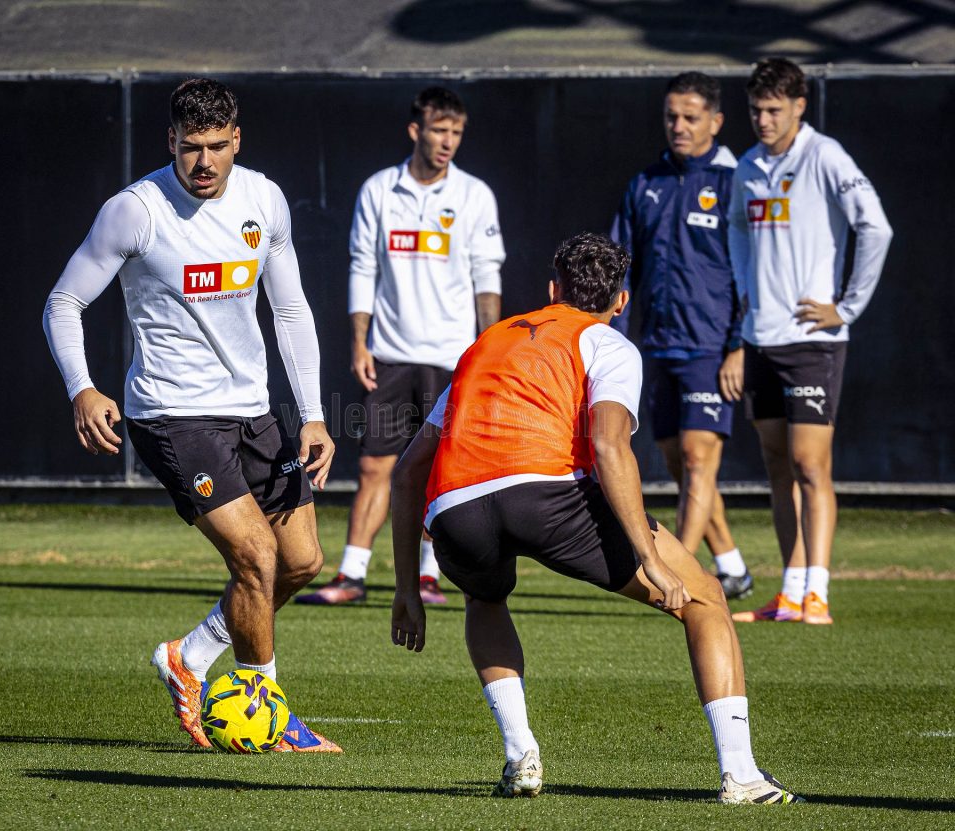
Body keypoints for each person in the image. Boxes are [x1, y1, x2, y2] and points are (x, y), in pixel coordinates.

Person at [390, 232, 802, 803]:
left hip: (456, 506)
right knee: (705, 598)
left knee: (484, 599)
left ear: (552, 289)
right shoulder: (607, 343)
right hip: (546, 495)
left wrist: (406, 588)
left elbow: (409, 470)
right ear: (621, 301)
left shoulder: (486, 342)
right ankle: (743, 777)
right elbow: (610, 449)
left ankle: (521, 758)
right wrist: (652, 559)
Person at [43, 78, 341, 752]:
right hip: (173, 414)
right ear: (169, 141)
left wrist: (315, 415)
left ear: (237, 140)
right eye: (190, 148)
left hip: (255, 410)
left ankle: (191, 655)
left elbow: (290, 310)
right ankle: (269, 716)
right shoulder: (135, 211)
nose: (203, 163)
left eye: (216, 147)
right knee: (257, 554)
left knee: (300, 561)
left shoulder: (264, 199)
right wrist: (82, 387)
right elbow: (63, 302)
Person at [297, 86, 505, 606]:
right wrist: (360, 342)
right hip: (390, 354)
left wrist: (487, 352)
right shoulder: (378, 190)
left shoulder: (474, 195)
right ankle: (351, 576)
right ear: (416, 131)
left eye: (456, 133)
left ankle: (430, 577)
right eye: (439, 130)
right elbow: (362, 267)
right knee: (374, 466)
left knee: (441, 468)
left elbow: (487, 277)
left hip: (453, 357)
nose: (448, 142)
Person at [728, 58, 892, 625]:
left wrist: (845, 307)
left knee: (809, 464)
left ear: (800, 106)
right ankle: (790, 591)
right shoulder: (746, 165)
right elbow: (735, 230)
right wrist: (746, 292)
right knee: (776, 467)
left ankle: (817, 591)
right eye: (756, 109)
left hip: (813, 341)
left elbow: (876, 226)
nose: (763, 119)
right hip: (761, 338)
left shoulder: (825, 156)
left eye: (774, 109)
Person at [610, 72, 754, 599]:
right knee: (681, 465)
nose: (679, 126)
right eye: (672, 116)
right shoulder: (645, 183)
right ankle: (733, 566)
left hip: (712, 349)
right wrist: (612, 340)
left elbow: (753, 272)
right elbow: (620, 271)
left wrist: (739, 344)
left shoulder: (736, 181)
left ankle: (684, 578)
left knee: (698, 461)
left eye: (691, 117)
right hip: (658, 348)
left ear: (715, 121)